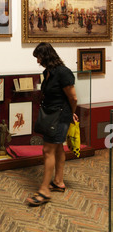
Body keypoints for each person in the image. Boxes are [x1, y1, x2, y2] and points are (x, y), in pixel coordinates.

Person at [26, 42, 78, 207]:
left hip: (60, 116)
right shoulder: (47, 72)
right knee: (57, 148)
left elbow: (73, 98)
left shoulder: (63, 72)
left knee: (47, 150)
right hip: (52, 115)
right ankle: (58, 181)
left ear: (46, 56)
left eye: (39, 57)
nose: (38, 61)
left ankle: (44, 191)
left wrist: (71, 114)